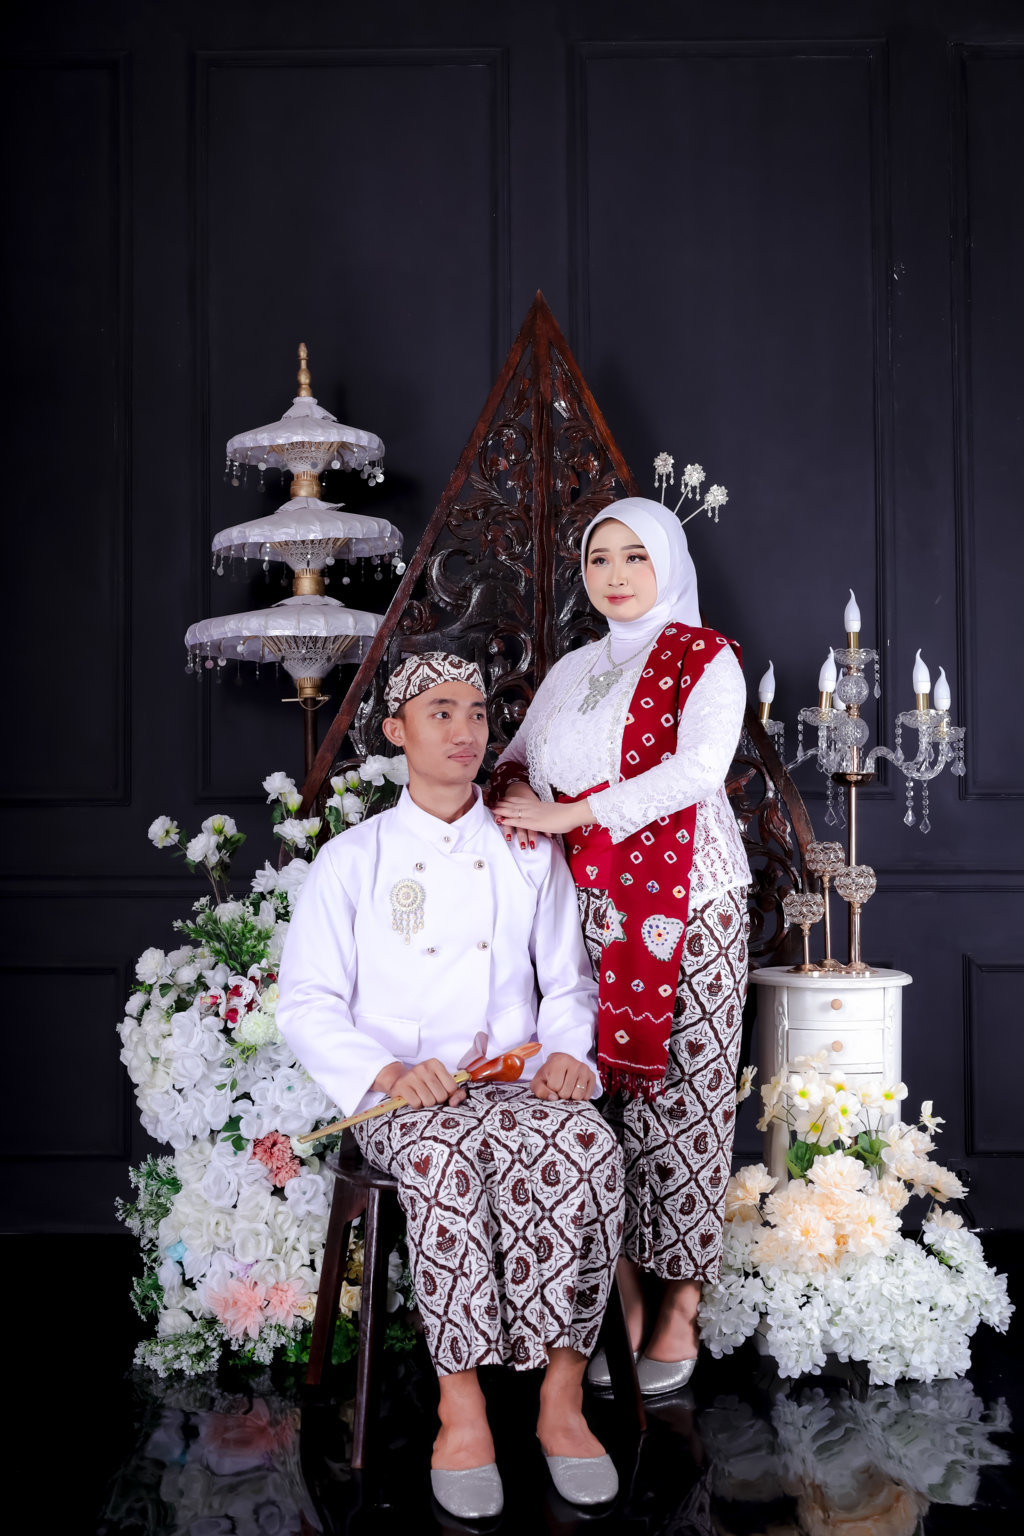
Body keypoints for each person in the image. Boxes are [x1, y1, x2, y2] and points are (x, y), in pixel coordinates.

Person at [277, 651, 624, 1520]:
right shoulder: (353, 860)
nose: (466, 730)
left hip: (514, 1078)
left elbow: (569, 981)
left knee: (588, 1144)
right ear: (396, 732)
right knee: (444, 1161)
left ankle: (561, 1399)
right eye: (441, 712)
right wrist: (391, 1070)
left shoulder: (528, 849)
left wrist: (567, 1052)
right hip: (404, 1098)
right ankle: (460, 1406)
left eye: (477, 712)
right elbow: (307, 1003)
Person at [489, 498, 751, 1397]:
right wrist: (508, 801)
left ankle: (682, 1306)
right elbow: (518, 757)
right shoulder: (573, 669)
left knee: (686, 1098)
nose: (616, 574)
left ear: (667, 563)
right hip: (590, 906)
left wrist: (569, 814)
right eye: (600, 557)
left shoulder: (704, 656)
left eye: (636, 556)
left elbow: (698, 771)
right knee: (602, 1097)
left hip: (691, 904)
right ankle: (626, 1298)